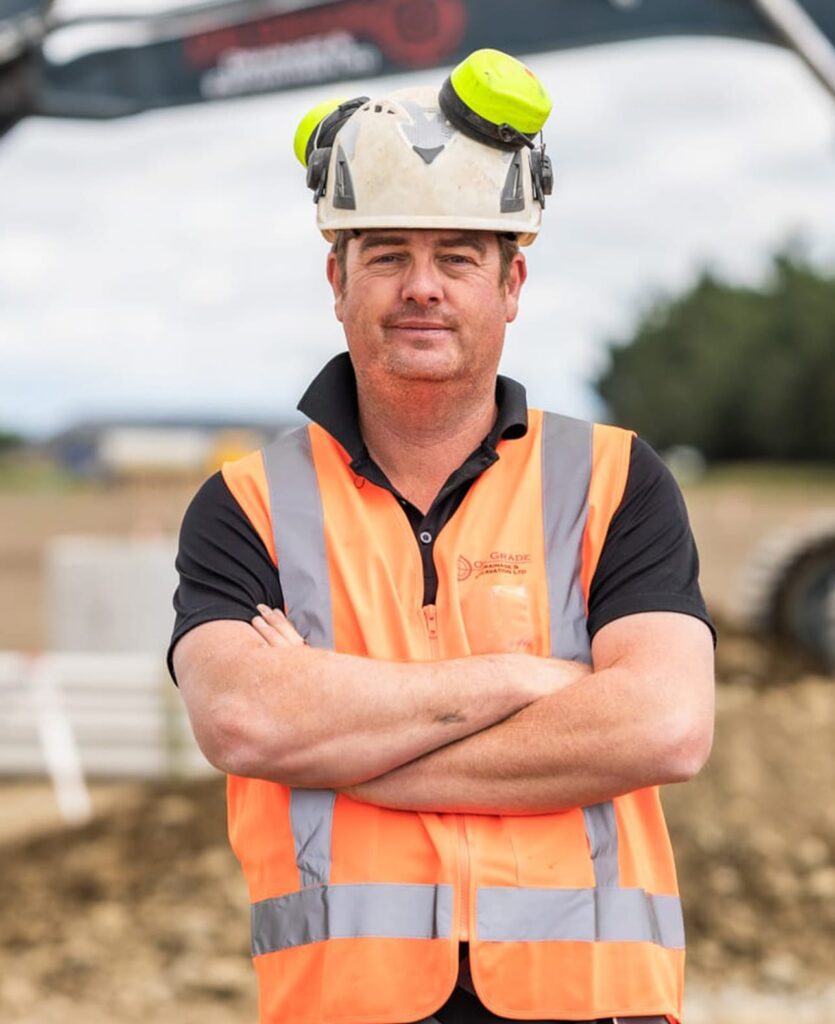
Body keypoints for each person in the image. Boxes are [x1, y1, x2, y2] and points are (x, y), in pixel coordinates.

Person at [169, 50, 715, 1024]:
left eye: (457, 255)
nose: (422, 286)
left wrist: (340, 734)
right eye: (387, 254)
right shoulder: (245, 504)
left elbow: (664, 724)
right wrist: (527, 681)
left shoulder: (616, 481)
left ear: (511, 283)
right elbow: (246, 723)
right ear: (336, 279)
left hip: (590, 1002)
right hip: (348, 1005)